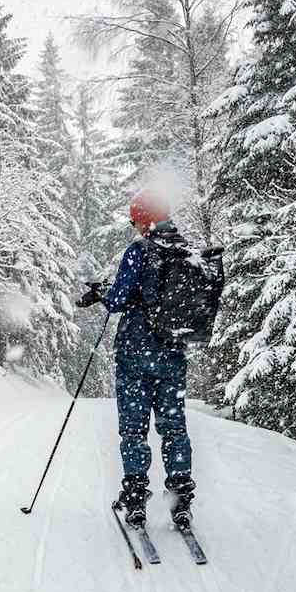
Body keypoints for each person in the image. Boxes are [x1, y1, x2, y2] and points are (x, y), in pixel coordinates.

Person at [78, 191, 196, 528]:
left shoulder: (139, 251)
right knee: (174, 429)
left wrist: (101, 292)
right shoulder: (187, 252)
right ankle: (180, 499)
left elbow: (118, 301)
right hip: (172, 354)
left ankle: (136, 499)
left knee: (134, 430)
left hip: (136, 354)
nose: (134, 226)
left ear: (145, 219)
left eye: (134, 220)